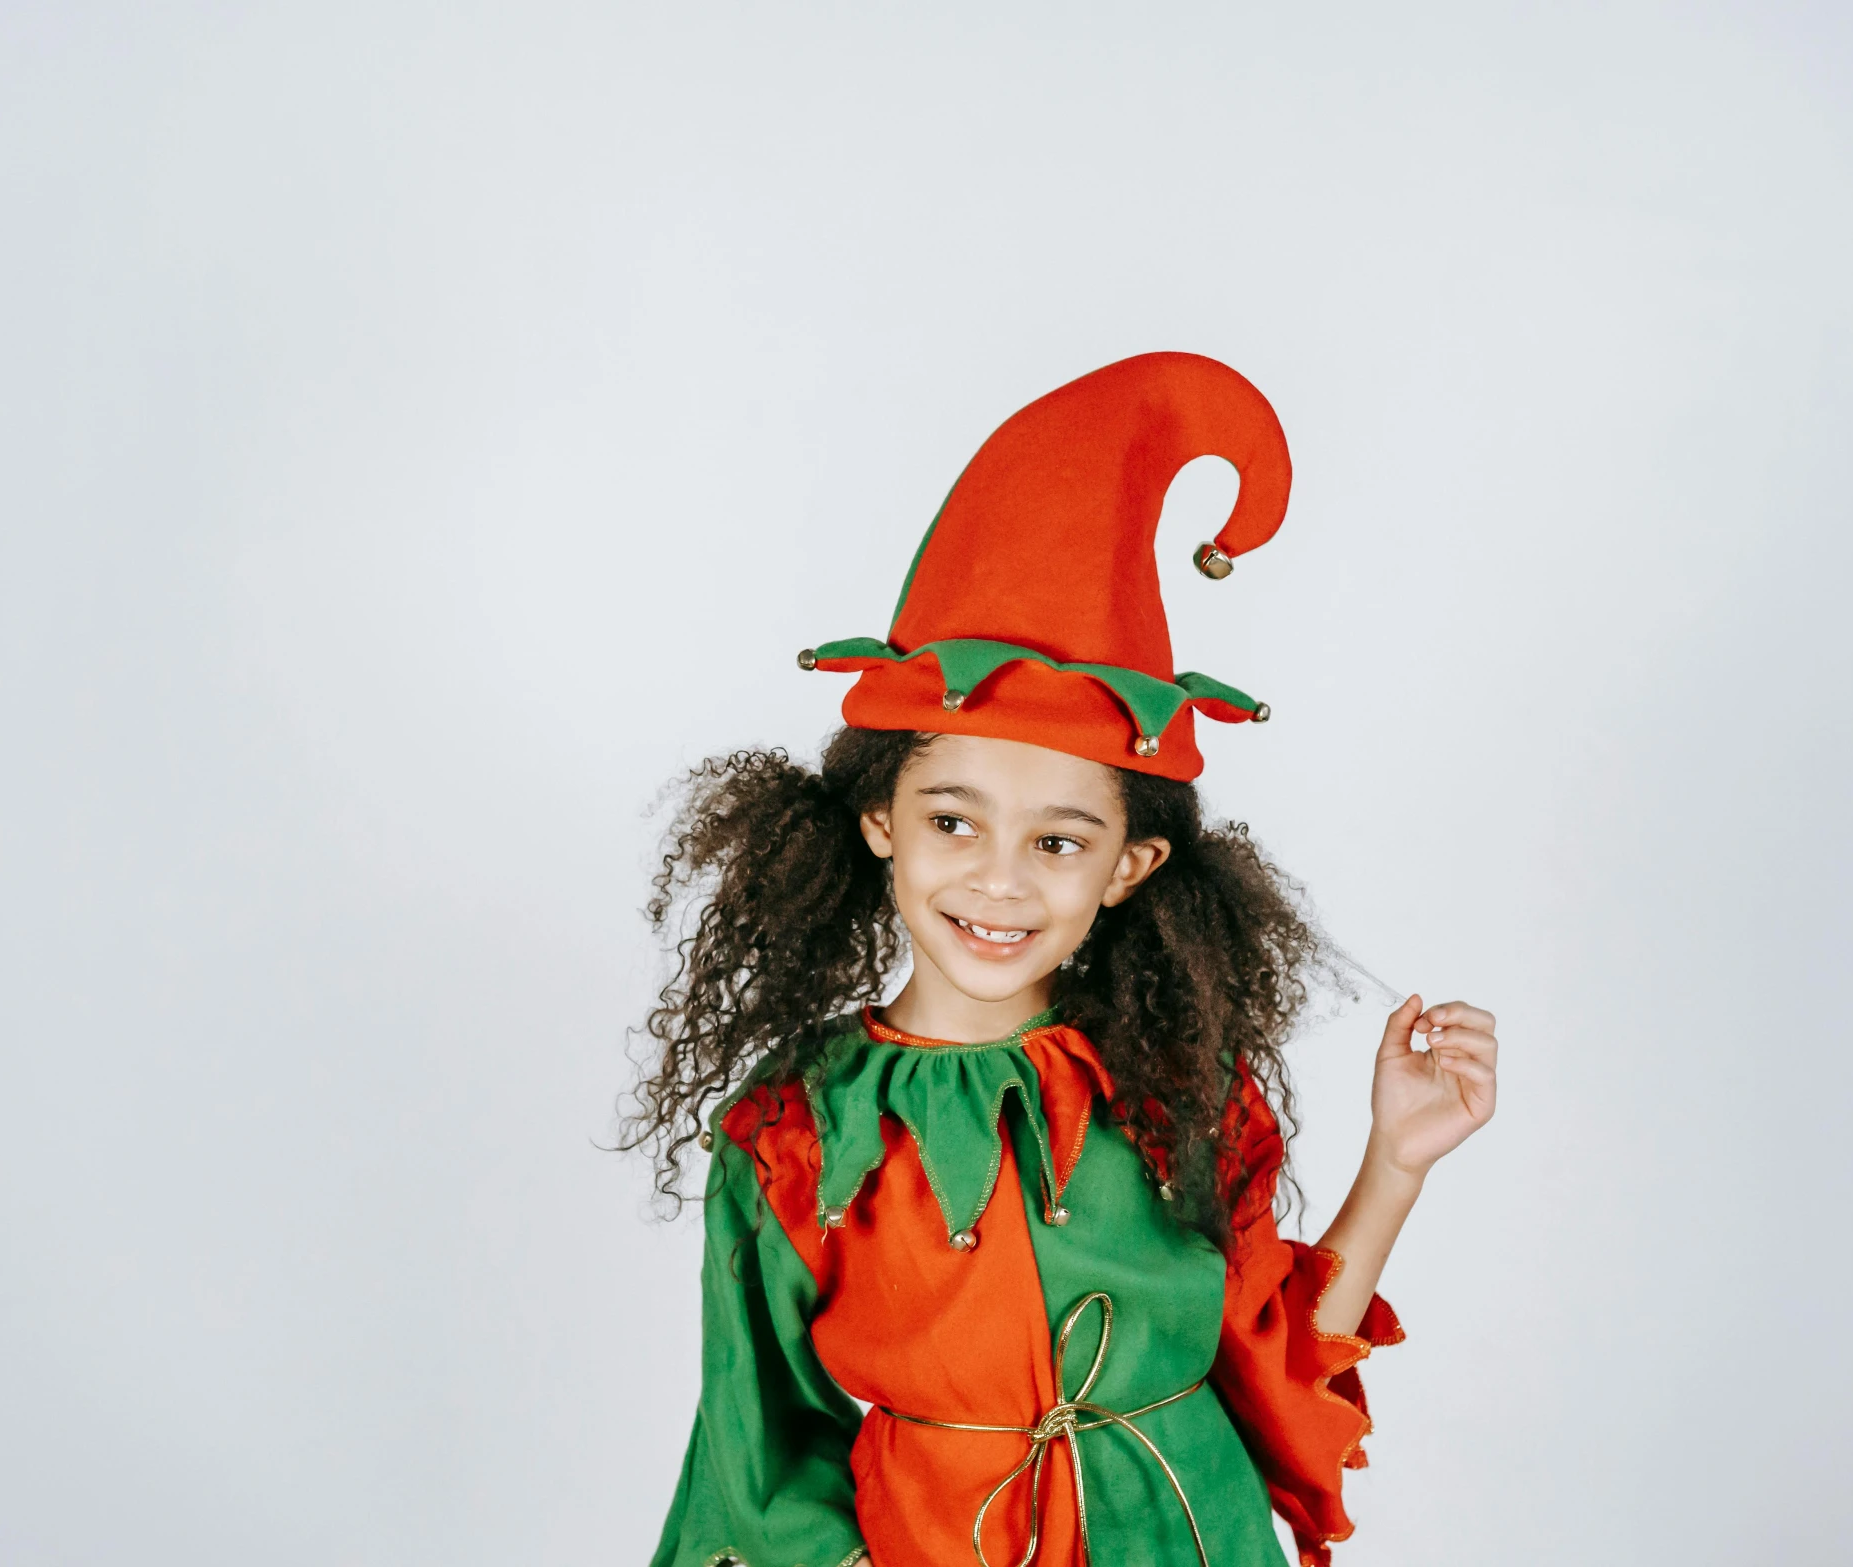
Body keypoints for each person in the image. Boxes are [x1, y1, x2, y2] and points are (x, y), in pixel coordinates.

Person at [626, 352, 1499, 1567]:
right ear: (880, 821)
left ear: (1127, 867)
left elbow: (1271, 1364)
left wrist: (1395, 1160)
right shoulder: (791, 1133)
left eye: (1057, 839)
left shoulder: (1174, 1082)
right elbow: (756, 1452)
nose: (998, 877)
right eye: (951, 820)